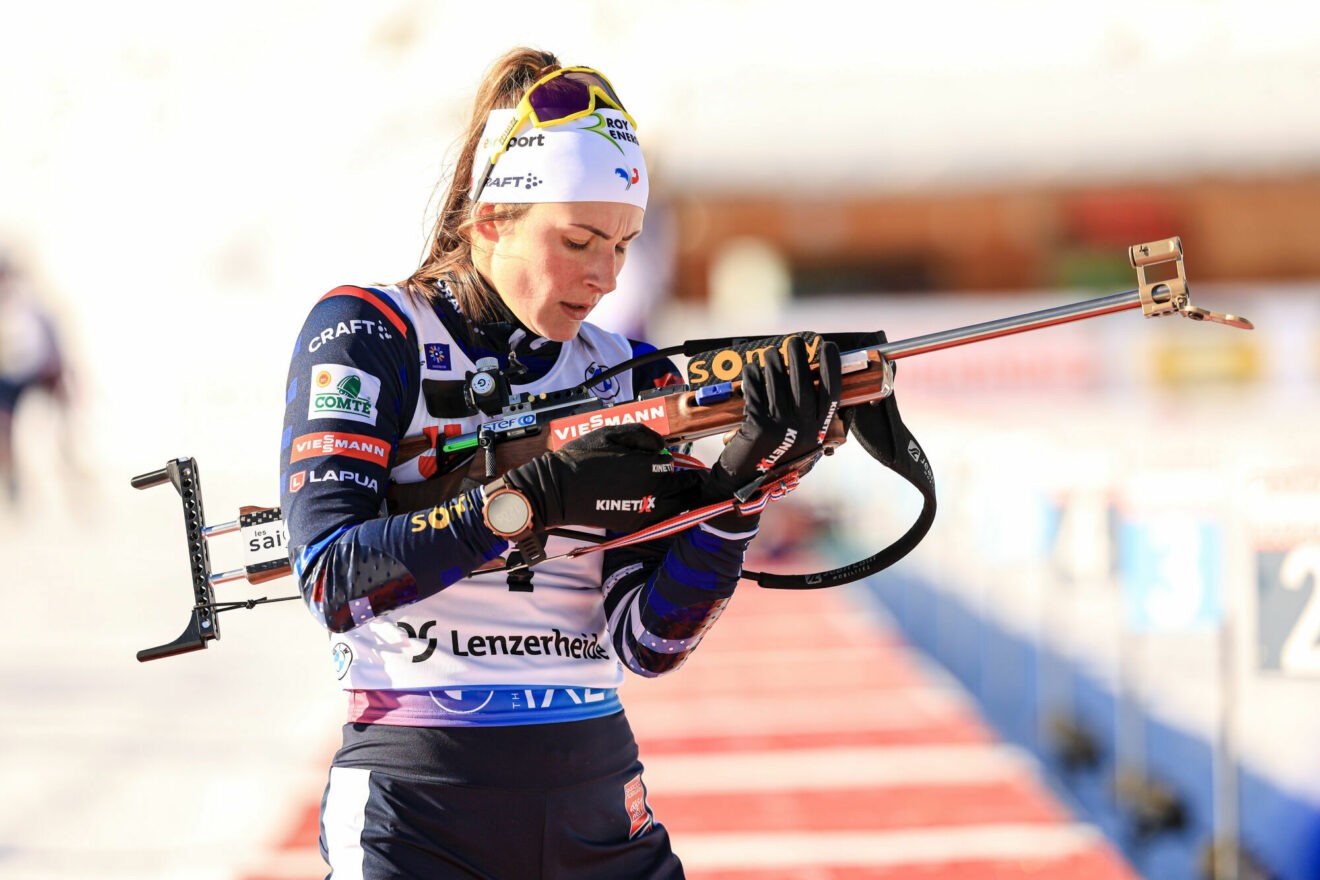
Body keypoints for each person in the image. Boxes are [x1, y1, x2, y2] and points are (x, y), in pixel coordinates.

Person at [280, 47, 841, 879]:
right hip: (418, 802)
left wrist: (737, 497)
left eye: (624, 244)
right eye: (579, 240)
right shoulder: (371, 331)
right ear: (491, 219)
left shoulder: (631, 373)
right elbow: (332, 575)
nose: (607, 276)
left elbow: (648, 641)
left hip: (595, 796)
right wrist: (535, 498)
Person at [0, 251, 68, 506]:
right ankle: (13, 485)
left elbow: (49, 331)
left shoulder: (28, 304)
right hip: (7, 379)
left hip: (38, 369)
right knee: (3, 434)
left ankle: (68, 471)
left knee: (62, 428)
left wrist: (60, 372)